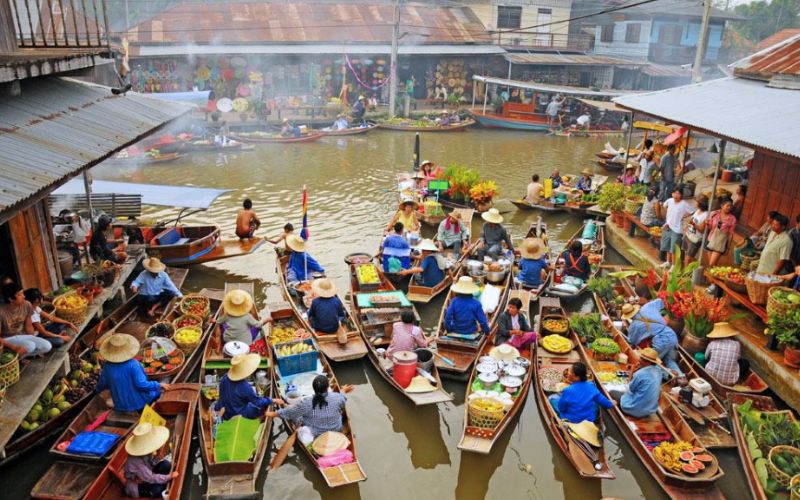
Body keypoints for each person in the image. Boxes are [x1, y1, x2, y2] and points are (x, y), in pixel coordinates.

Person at [267, 375, 354, 446]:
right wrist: (343, 390)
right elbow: (342, 398)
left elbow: (290, 413)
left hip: (316, 434)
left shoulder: (307, 403)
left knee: (292, 411)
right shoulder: (337, 397)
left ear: (314, 389)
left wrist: (272, 413)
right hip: (336, 429)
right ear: (327, 387)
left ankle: (288, 405)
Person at [96, 333, 161, 412]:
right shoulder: (134, 364)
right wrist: (158, 384)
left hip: (120, 405)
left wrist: (97, 390)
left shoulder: (107, 366)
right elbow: (141, 384)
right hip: (140, 403)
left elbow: (102, 384)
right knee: (157, 390)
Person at [215, 353, 283, 420]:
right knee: (260, 409)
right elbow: (258, 402)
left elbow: (221, 394)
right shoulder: (244, 386)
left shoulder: (225, 377)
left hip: (225, 409)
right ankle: (261, 418)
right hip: (238, 413)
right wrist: (273, 400)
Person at [625, 302, 681, 375]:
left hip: (661, 340)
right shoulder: (647, 307)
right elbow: (662, 301)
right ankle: (681, 377)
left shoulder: (634, 326)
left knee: (650, 363)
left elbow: (632, 341)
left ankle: (669, 375)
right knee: (669, 361)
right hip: (671, 334)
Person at [123, 423, 178, 498]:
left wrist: (158, 455)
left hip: (146, 474)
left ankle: (164, 479)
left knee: (166, 464)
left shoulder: (145, 451)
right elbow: (150, 478)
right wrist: (169, 477)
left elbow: (152, 463)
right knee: (159, 489)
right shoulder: (136, 461)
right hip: (138, 485)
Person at [549, 362, 613, 422]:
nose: (568, 373)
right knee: (595, 401)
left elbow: (561, 408)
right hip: (589, 419)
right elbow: (607, 404)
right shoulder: (591, 385)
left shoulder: (568, 390)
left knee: (552, 397)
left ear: (577, 377)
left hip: (572, 420)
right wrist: (612, 403)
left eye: (570, 372)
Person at [0, 283, 51, 357]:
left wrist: (34, 340)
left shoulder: (27, 304)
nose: (23, 296)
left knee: (47, 346)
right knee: (30, 345)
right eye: (19, 295)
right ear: (10, 299)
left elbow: (29, 327)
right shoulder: (1, 312)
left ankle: (23, 355)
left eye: (23, 293)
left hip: (22, 335)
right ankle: (15, 356)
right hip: (7, 339)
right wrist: (14, 347)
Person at [612, 347, 663, 418]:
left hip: (634, 408)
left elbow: (630, 389)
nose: (639, 360)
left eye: (640, 358)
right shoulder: (659, 371)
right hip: (650, 410)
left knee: (612, 392)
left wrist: (632, 371)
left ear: (645, 361)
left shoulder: (640, 374)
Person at [659, 188, 695, 266]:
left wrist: (685, 216)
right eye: (675, 193)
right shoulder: (669, 200)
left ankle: (673, 265)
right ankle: (668, 262)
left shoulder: (684, 204)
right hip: (667, 226)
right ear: (672, 194)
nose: (676, 195)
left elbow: (693, 211)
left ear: (681, 195)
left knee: (674, 249)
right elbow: (665, 206)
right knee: (667, 246)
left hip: (677, 229)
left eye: (678, 193)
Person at [705, 199, 738, 267]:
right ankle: (712, 276)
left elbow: (731, 234)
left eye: (731, 206)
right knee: (712, 265)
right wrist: (707, 224)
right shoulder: (714, 213)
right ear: (722, 206)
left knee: (711, 263)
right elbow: (710, 227)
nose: (729, 208)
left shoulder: (732, 219)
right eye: (727, 206)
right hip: (710, 240)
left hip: (721, 243)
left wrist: (728, 247)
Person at [682, 195, 709, 264]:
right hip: (688, 235)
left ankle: (687, 273)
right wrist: (687, 226)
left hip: (695, 239)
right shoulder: (697, 210)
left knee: (688, 258)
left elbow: (702, 230)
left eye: (696, 201)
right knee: (687, 256)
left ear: (701, 203)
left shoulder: (706, 215)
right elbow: (692, 219)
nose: (694, 203)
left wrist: (693, 224)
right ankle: (690, 270)